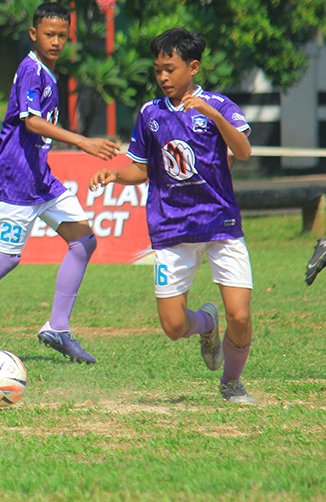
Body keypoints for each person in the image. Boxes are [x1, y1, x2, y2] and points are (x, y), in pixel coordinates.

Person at [90, 26, 255, 404]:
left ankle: (231, 381)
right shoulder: (150, 113)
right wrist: (115, 175)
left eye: (170, 68)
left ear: (193, 67)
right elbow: (143, 168)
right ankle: (207, 323)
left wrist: (214, 115)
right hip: (171, 228)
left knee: (242, 317)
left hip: (220, 225)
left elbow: (243, 152)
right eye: (158, 70)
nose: (163, 77)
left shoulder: (219, 105)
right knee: (173, 326)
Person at [0, 2, 120, 364]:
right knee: (7, 258)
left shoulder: (48, 73)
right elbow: (32, 123)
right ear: (33, 34)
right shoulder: (31, 69)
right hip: (16, 180)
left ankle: (57, 327)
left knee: (84, 241)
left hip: (40, 180)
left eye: (61, 35)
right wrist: (84, 141)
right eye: (48, 34)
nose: (56, 41)